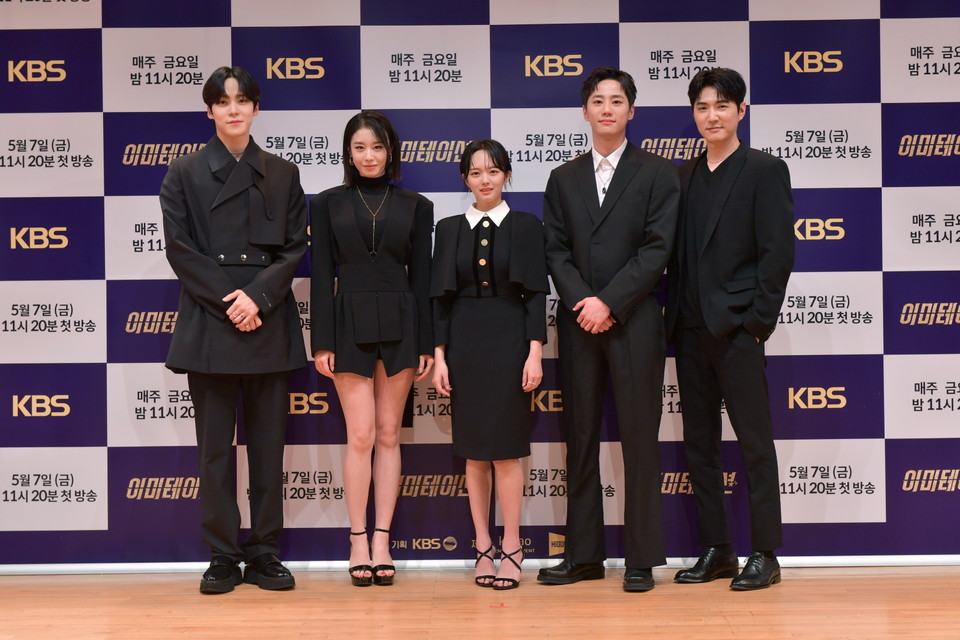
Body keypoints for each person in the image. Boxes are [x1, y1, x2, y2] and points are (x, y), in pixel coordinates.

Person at [160, 66, 307, 594]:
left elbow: (294, 247)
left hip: (266, 319)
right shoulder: (183, 172)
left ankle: (265, 551)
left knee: (268, 448)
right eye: (223, 102)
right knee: (215, 451)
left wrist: (257, 298)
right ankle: (222, 554)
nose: (234, 109)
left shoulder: (283, 172)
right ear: (210, 111)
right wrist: (232, 302)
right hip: (211, 320)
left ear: (256, 108)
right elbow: (180, 249)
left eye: (242, 100)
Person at [538, 67, 679, 592]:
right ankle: (583, 555)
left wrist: (610, 302)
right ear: (585, 111)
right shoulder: (563, 177)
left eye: (617, 101)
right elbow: (555, 250)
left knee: (640, 438)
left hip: (634, 321)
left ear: (631, 111)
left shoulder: (658, 173)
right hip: (579, 323)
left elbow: (658, 249)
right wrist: (585, 303)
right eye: (598, 101)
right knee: (580, 438)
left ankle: (641, 557)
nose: (607, 109)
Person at [665, 67, 794, 591]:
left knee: (755, 443)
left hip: (739, 330)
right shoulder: (682, 176)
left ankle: (765, 553)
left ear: (741, 111)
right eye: (702, 107)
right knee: (700, 444)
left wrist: (757, 324)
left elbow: (777, 253)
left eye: (721, 105)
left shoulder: (764, 170)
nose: (711, 115)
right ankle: (717, 549)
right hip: (689, 329)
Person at [310, 111, 434, 587]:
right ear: (348, 152)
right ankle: (357, 540)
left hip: (402, 323)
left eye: (378, 147)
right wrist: (322, 341)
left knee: (388, 434)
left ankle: (382, 540)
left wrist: (425, 341)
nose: (369, 156)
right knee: (359, 436)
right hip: (347, 322)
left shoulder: (416, 206)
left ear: (391, 151)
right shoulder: (326, 204)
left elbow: (422, 280)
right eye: (360, 147)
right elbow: (321, 277)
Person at [431, 139, 548, 590]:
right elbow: (440, 300)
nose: (485, 180)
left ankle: (513, 546)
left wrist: (534, 351)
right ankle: (482, 546)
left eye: (493, 171)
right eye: (476, 172)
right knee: (475, 452)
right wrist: (440, 357)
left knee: (506, 450)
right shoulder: (448, 228)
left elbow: (535, 294)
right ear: (465, 178)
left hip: (511, 343)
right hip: (464, 346)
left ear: (507, 176)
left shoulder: (526, 225)